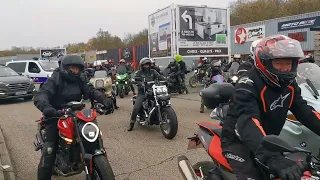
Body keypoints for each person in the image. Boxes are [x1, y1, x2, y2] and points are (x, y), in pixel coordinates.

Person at [221, 35, 320, 180]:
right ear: (265, 62)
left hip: (267, 140)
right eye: (279, 63)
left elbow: (305, 112)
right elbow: (248, 122)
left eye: (288, 63)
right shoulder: (247, 85)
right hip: (238, 141)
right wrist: (273, 158)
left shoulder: (290, 85)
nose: (285, 68)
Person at [33, 55, 114, 180]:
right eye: (72, 68)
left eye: (77, 69)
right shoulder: (56, 78)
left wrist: (104, 99)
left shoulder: (80, 78)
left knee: (93, 135)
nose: (75, 71)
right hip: (56, 115)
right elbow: (42, 94)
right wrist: (48, 108)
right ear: (65, 68)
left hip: (75, 113)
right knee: (49, 151)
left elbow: (90, 90)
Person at [128, 57, 164, 131]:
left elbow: (160, 77)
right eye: (145, 65)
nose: (147, 66)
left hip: (153, 91)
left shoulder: (153, 71)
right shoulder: (139, 73)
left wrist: (166, 79)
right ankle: (132, 123)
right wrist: (138, 82)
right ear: (142, 65)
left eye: (148, 64)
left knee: (162, 100)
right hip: (143, 92)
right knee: (136, 107)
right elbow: (134, 79)